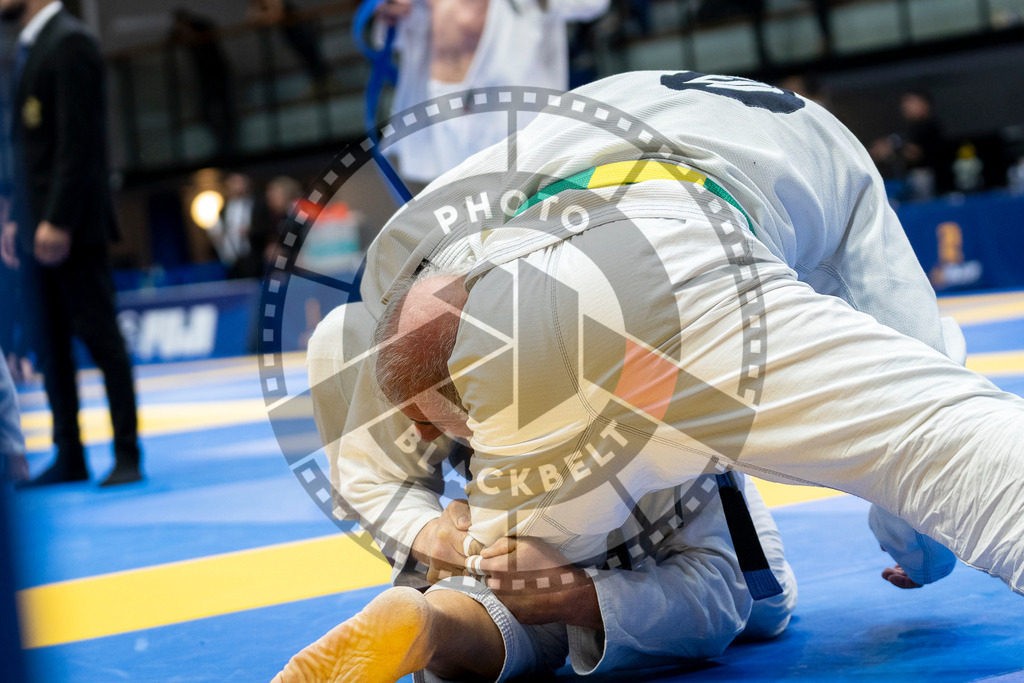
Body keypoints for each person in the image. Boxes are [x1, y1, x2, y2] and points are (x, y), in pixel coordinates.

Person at [367, 71, 1024, 596]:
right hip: (682, 253)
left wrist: (429, 502)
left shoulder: (565, 126)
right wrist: (922, 549)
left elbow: (402, 264)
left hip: (560, 269)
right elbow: (918, 350)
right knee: (939, 446)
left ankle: (445, 610)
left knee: (496, 573)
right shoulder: (824, 152)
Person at [276, 285, 797, 681]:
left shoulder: (630, 376)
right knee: (518, 584)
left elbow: (725, 584)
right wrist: (435, 534)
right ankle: (428, 622)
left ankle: (434, 624)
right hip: (591, 419)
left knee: (763, 604)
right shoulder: (424, 339)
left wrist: (572, 593)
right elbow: (377, 477)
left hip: (650, 445)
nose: (424, 435)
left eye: (431, 419)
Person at [0, 0, 142, 487]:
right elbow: (28, 152)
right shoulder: (30, 48)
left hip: (73, 227)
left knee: (100, 337)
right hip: (34, 223)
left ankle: (127, 452)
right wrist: (15, 218)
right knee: (50, 345)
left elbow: (80, 144)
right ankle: (69, 453)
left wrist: (58, 220)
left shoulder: (70, 42)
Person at [373, 0, 609, 186]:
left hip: (515, 112)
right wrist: (390, 10)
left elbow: (593, 3)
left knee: (525, 212)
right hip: (436, 115)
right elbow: (385, 37)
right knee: (451, 217)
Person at [169, 9, 236, 156]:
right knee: (205, 113)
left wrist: (190, 33)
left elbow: (210, 34)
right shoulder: (179, 32)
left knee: (227, 110)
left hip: (218, 72)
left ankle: (230, 145)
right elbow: (169, 41)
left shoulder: (201, 25)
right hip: (204, 77)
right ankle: (223, 143)